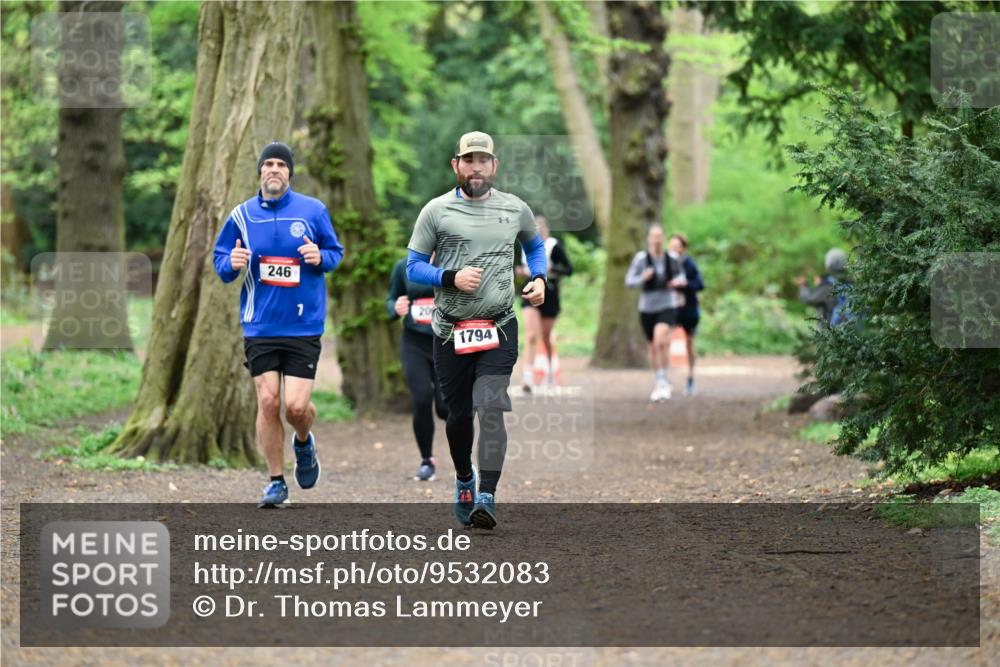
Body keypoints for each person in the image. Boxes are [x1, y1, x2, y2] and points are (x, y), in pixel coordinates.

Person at [406, 131, 548, 529]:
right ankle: (464, 478)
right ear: (456, 166)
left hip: (499, 326)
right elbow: (413, 267)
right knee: (457, 414)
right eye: (468, 160)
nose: (476, 167)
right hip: (451, 330)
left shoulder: (514, 208)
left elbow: (534, 247)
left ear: (494, 166)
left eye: (483, 160)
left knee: (491, 404)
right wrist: (450, 277)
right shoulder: (435, 212)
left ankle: (486, 493)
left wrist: (538, 277)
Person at [213, 141, 344, 507]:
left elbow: (336, 253)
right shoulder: (242, 215)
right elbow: (221, 261)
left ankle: (303, 441)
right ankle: (275, 481)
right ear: (260, 171)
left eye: (280, 165)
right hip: (260, 325)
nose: (274, 170)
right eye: (268, 164)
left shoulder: (313, 211)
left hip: (303, 325)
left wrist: (321, 256)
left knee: (296, 408)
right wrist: (232, 263)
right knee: (268, 402)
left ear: (289, 172)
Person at [386, 255, 449, 481]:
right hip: (414, 342)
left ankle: (463, 454)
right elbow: (391, 299)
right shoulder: (403, 265)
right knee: (421, 398)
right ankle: (426, 460)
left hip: (446, 343)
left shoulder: (452, 262)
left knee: (445, 408)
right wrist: (396, 307)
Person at [625, 223, 687, 402]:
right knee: (653, 346)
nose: (657, 240)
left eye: (660, 236)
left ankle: (663, 380)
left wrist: (677, 283)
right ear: (649, 239)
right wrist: (643, 278)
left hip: (667, 304)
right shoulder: (641, 259)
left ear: (663, 238)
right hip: (647, 307)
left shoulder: (672, 259)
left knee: (661, 341)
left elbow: (682, 276)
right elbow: (629, 281)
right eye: (654, 236)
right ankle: (660, 379)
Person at [515, 216, 573, 391]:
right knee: (531, 335)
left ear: (546, 229)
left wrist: (552, 269)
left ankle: (549, 374)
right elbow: (517, 267)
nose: (538, 232)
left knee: (546, 337)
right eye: (535, 230)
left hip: (550, 293)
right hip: (529, 291)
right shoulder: (525, 247)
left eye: (541, 229)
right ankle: (527, 378)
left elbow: (569, 269)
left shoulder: (553, 246)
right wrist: (519, 272)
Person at [668, 233, 704, 396]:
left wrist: (684, 285)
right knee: (664, 341)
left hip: (689, 309)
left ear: (683, 248)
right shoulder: (666, 264)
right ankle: (664, 379)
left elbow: (700, 284)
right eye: (671, 246)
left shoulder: (689, 264)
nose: (673, 249)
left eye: (676, 246)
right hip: (671, 308)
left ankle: (690, 378)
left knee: (689, 343)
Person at [796, 248, 848, 325]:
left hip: (832, 333)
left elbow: (808, 298)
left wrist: (803, 285)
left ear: (828, 266)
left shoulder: (828, 285)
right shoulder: (851, 282)